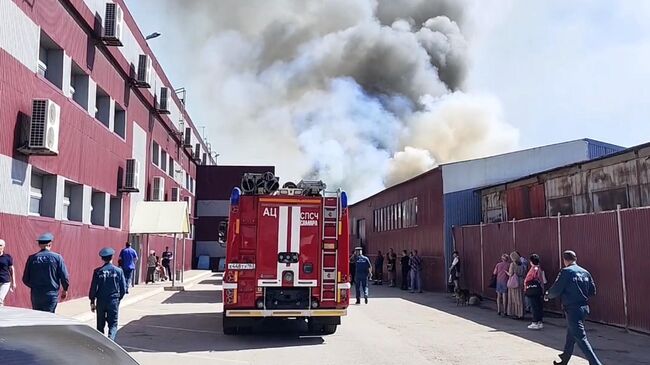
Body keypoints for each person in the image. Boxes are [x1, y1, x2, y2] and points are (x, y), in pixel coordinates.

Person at [547, 250, 602, 365]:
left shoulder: (566, 272)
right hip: (584, 308)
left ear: (564, 260)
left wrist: (548, 295)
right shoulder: (585, 272)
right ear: (575, 258)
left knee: (581, 338)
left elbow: (557, 289)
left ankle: (596, 363)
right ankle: (564, 359)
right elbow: (592, 291)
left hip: (572, 308)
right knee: (571, 334)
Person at [22, 233, 70, 313]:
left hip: (36, 294)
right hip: (51, 293)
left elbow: (25, 279)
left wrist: (35, 287)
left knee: (37, 316)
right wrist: (65, 289)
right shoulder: (57, 257)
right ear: (50, 244)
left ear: (39, 245)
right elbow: (64, 276)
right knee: (49, 317)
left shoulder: (32, 258)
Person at [89, 247, 127, 341]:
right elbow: (123, 288)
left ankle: (101, 343)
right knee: (113, 324)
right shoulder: (118, 271)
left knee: (100, 325)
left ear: (102, 258)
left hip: (101, 301)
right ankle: (111, 341)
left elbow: (93, 288)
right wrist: (118, 299)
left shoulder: (98, 271)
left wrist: (92, 301)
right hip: (113, 300)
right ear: (112, 257)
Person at [524, 254, 547, 330]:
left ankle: (535, 322)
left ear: (531, 261)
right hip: (538, 289)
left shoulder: (535, 268)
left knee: (534, 306)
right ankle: (539, 322)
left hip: (533, 289)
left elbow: (532, 278)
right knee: (538, 306)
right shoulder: (539, 268)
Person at [506, 251, 525, 319]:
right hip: (520, 281)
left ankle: (515, 313)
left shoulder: (512, 264)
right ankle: (521, 313)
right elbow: (523, 273)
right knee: (520, 298)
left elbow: (511, 274)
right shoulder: (522, 264)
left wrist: (507, 272)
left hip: (514, 282)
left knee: (514, 298)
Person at [0, 239, 16, 306]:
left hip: (5, 282)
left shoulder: (7, 257)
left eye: (0, 245)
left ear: (3, 246)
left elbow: (12, 269)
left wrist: (13, 282)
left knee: (0, 299)